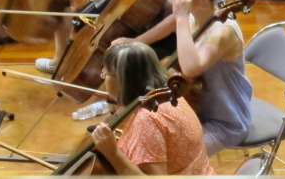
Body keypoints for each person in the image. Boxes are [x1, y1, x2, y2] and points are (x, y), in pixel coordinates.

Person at [91, 42, 214, 175]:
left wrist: (113, 153)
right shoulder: (173, 97)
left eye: (106, 73)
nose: (101, 76)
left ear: (123, 81)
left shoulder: (147, 119)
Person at [171, 0, 253, 154]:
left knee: (170, 157)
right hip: (196, 113)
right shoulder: (194, 17)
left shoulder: (222, 32)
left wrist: (181, 17)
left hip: (225, 122)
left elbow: (192, 68)